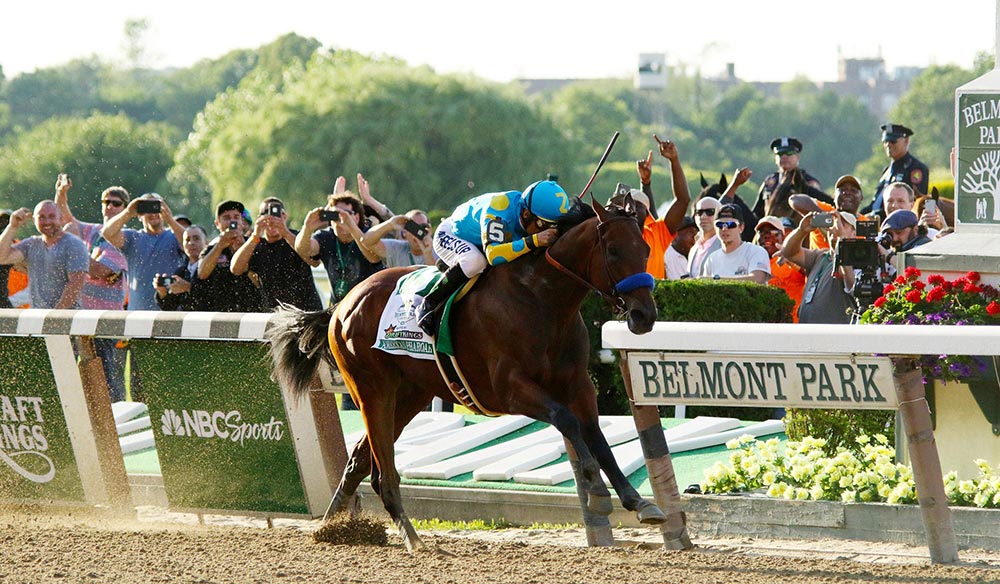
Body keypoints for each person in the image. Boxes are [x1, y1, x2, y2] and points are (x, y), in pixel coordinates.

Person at [416, 179, 572, 336]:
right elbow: (494, 255)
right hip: (452, 235)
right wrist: (535, 240)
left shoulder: (530, 214)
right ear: (526, 214)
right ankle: (428, 303)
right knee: (475, 262)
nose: (547, 231)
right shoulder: (499, 209)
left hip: (482, 242)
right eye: (543, 225)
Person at [54, 174, 130, 401]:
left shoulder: (125, 239)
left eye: (116, 203)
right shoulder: (92, 231)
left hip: (105, 321)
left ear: (125, 209)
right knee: (71, 377)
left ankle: (115, 428)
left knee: (109, 380)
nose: (110, 207)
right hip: (79, 316)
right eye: (106, 202)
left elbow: (98, 270)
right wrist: (62, 192)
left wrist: (75, 251)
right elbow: (65, 218)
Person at [231, 197, 323, 311]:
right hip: (274, 314)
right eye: (266, 213)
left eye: (276, 213)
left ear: (284, 216)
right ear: (259, 218)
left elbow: (314, 261)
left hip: (306, 311)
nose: (271, 218)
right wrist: (256, 235)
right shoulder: (256, 244)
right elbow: (236, 269)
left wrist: (284, 231)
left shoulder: (298, 238)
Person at [295, 191, 384, 307]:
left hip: (369, 308)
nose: (339, 220)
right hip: (337, 310)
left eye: (344, 214)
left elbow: (374, 257)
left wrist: (351, 227)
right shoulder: (327, 237)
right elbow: (303, 250)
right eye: (334, 215)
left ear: (356, 217)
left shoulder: (368, 235)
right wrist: (307, 228)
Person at [101, 193, 186, 311]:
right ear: (139, 215)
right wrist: (128, 212)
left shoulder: (173, 237)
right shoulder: (133, 238)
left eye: (156, 207)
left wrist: (170, 220)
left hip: (169, 311)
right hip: (138, 313)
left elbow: (190, 241)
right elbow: (107, 233)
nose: (153, 213)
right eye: (147, 208)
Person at [0, 202, 88, 309]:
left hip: (68, 317)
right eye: (41, 217)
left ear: (61, 219)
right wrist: (12, 227)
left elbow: (76, 283)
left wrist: (55, 315)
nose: (47, 221)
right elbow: (2, 258)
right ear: (34, 220)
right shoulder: (31, 244)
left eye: (52, 216)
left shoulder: (74, 244)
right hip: (39, 317)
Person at [630, 136, 692, 279]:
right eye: (625, 205)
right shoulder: (611, 236)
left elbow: (683, 200)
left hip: (654, 300)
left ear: (646, 213)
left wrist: (674, 160)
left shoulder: (657, 234)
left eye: (636, 205)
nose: (630, 210)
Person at [780, 211, 858, 324]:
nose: (836, 227)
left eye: (843, 224)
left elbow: (851, 284)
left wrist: (842, 241)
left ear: (854, 233)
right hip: (808, 330)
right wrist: (801, 231)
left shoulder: (856, 259)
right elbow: (789, 252)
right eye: (833, 222)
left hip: (834, 335)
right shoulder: (820, 256)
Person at [195, 200, 266, 313]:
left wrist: (242, 250)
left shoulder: (255, 245)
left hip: (252, 312)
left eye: (236, 217)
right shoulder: (211, 249)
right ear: (217, 224)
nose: (232, 221)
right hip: (222, 314)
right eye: (227, 218)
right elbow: (202, 274)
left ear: (242, 222)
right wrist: (220, 245)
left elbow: (260, 281)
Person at [752, 137, 828, 221]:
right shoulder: (769, 182)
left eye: (789, 153)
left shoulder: (809, 183)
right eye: (780, 153)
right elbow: (757, 213)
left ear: (797, 157)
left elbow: (822, 212)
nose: (784, 157)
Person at [864, 123, 929, 220]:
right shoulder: (887, 170)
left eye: (893, 141)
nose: (888, 145)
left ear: (906, 141)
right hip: (876, 222)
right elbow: (876, 203)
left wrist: (875, 215)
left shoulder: (916, 169)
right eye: (885, 141)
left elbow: (916, 202)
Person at [789, 175, 869, 250]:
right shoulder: (827, 211)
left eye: (853, 190)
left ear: (861, 198)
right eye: (842, 189)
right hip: (820, 262)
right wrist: (824, 218)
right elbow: (794, 199)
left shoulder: (866, 223)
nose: (847, 193)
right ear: (834, 197)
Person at [698, 204, 770, 283]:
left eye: (731, 225)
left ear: (741, 227)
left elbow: (757, 279)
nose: (724, 228)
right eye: (720, 225)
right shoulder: (711, 259)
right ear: (715, 228)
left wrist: (716, 279)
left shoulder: (756, 252)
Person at [754, 215, 805, 322]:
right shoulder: (752, 264)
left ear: (783, 237)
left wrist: (792, 262)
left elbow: (813, 275)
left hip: (794, 326)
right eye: (761, 233)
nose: (766, 236)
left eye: (773, 233)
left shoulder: (796, 258)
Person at [359, 209, 436, 268]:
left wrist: (427, 253)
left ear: (430, 230)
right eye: (414, 227)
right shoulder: (397, 249)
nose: (418, 232)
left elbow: (438, 281)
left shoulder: (439, 251)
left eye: (423, 227)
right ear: (405, 232)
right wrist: (390, 224)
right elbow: (366, 241)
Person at [155, 224, 208, 311]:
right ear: (182, 246)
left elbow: (215, 298)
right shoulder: (181, 272)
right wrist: (162, 293)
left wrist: (189, 287)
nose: (191, 243)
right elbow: (169, 307)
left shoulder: (214, 267)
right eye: (187, 240)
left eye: (196, 238)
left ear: (206, 243)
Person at [687, 197, 722, 278]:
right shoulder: (694, 249)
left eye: (710, 212)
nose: (703, 216)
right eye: (699, 212)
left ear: (720, 216)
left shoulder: (725, 246)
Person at [664, 216, 698, 280]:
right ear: (675, 235)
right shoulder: (665, 256)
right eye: (690, 232)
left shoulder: (698, 255)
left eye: (696, 233)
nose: (694, 238)